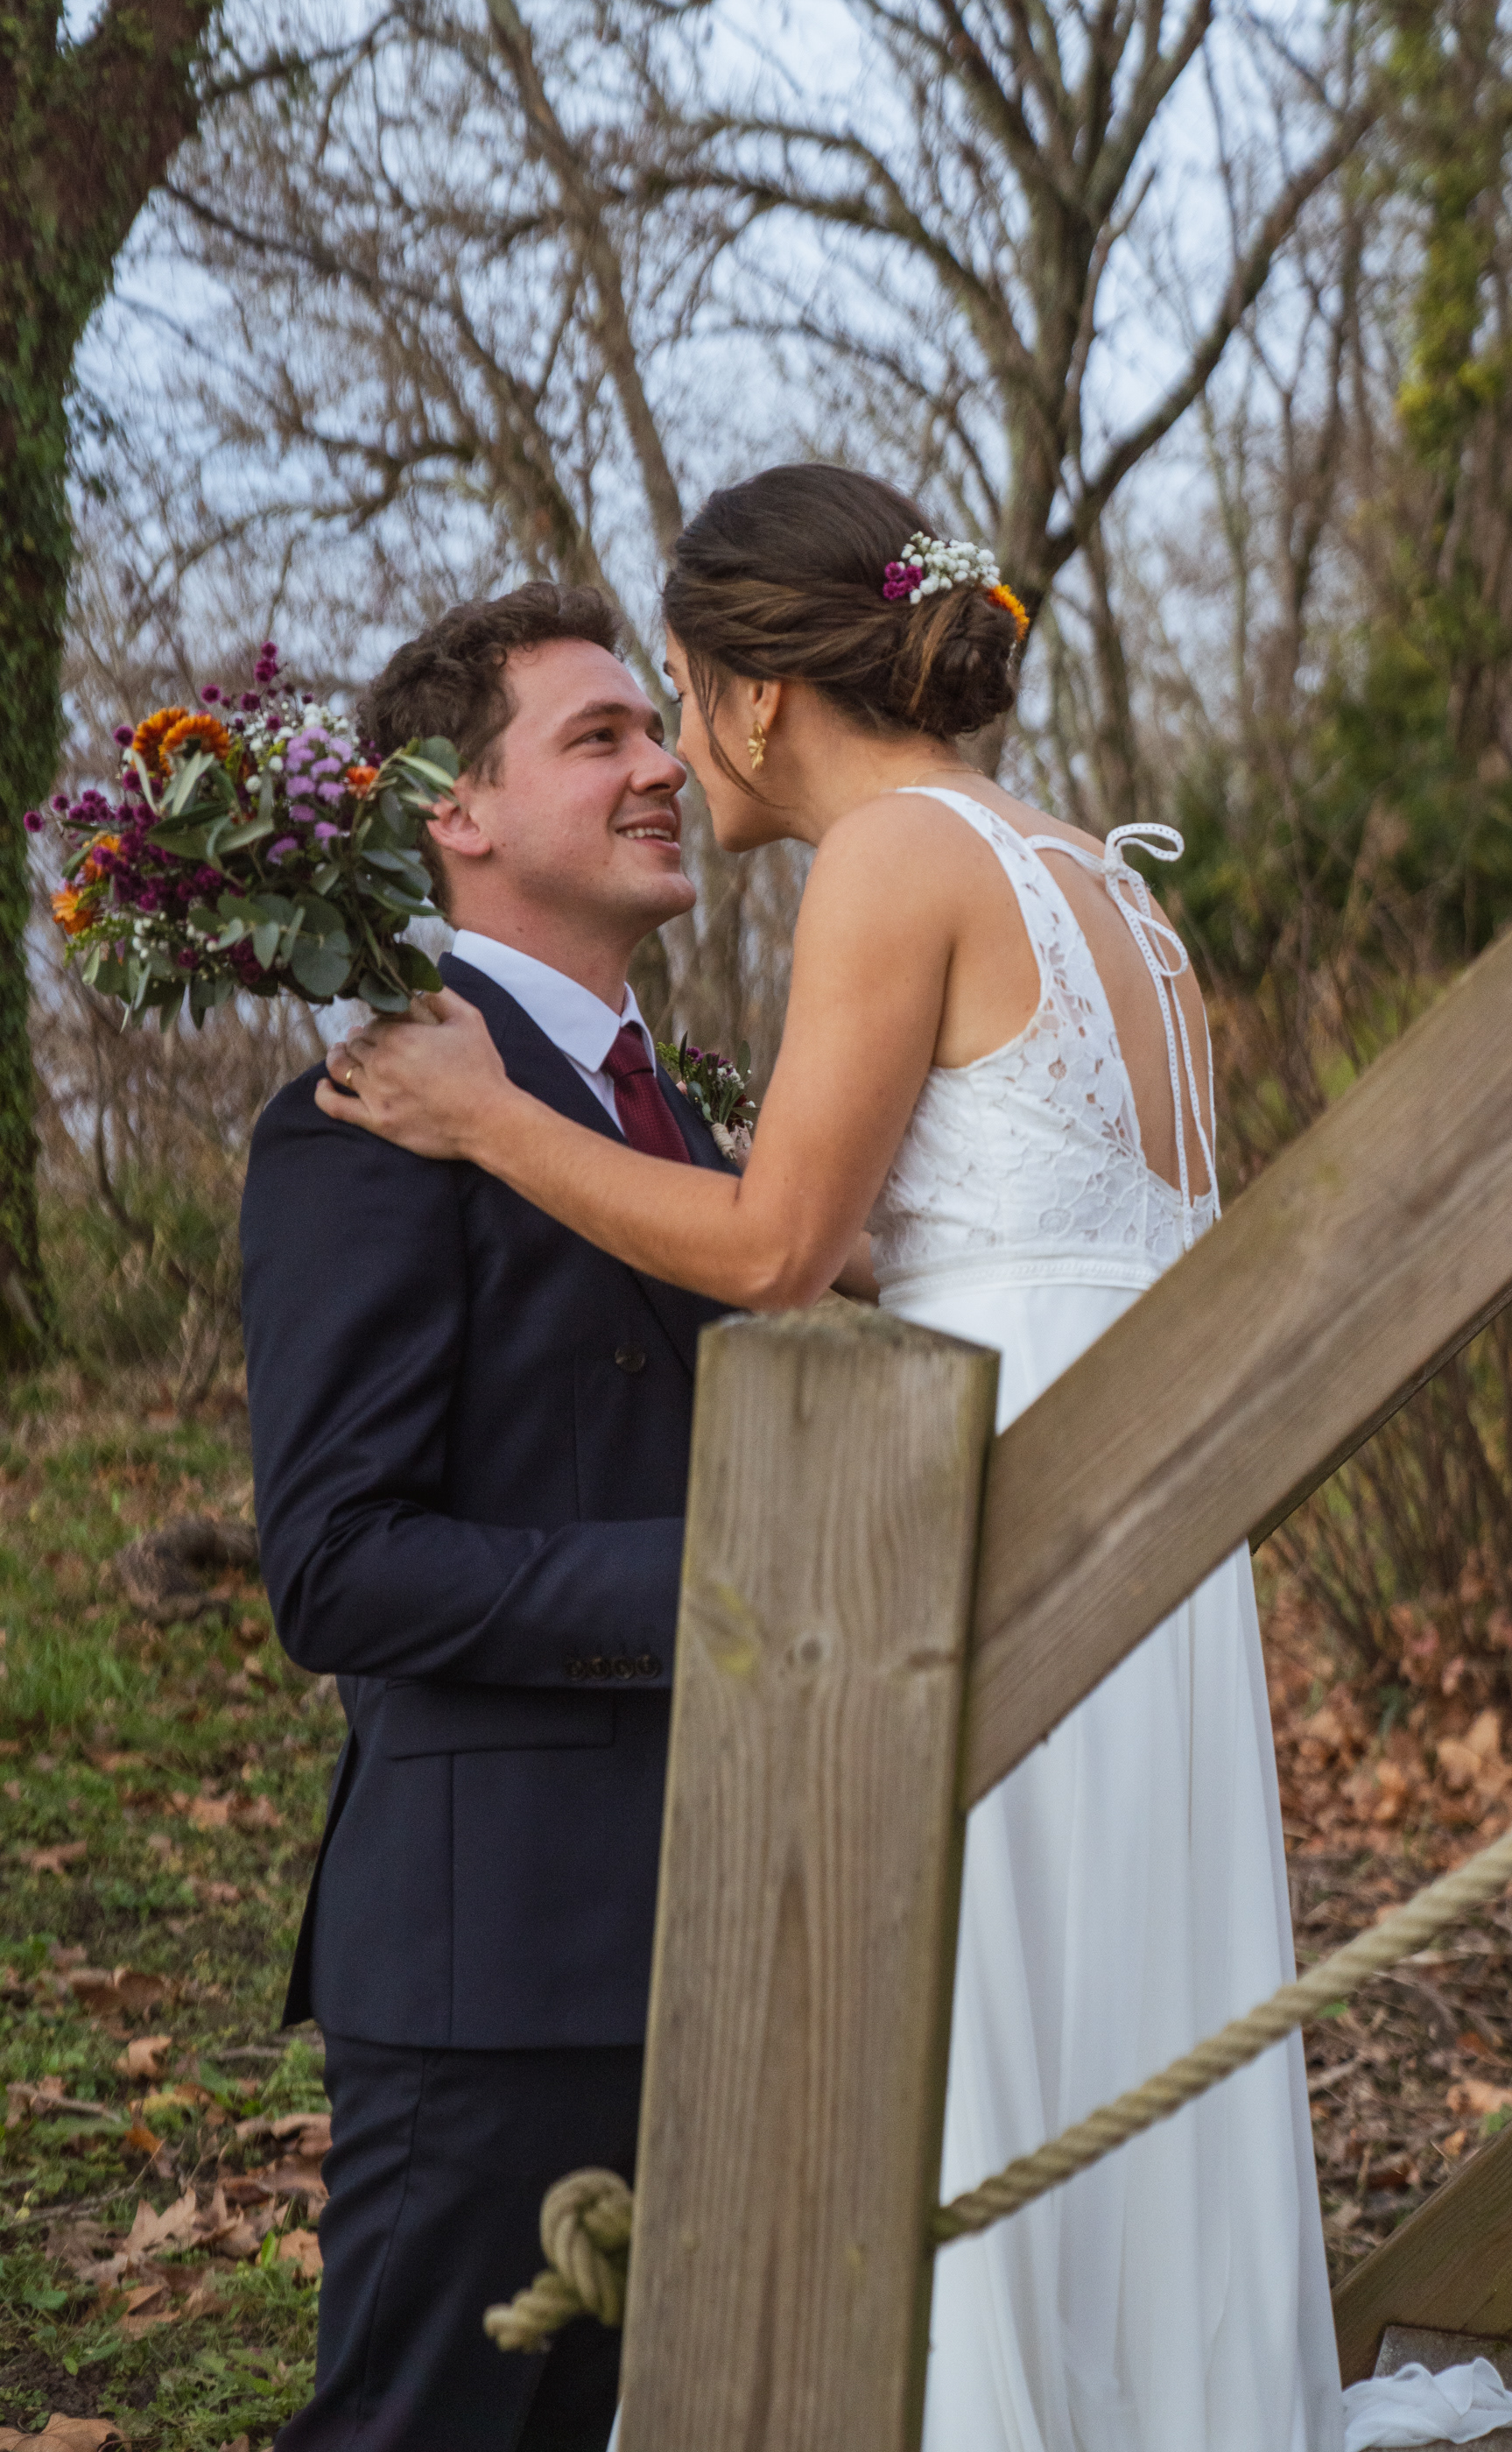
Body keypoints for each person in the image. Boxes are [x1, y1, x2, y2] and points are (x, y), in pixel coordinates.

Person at [316, 469, 1512, 2452]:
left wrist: (485, 1116)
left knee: (976, 2040)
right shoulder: (1107, 884)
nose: (677, 743)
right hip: (1154, 1513)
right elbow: (1037, 1235)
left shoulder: (892, 856)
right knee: (1112, 2018)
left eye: (677, 692)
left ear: (756, 694)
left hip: (1014, 1525)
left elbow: (773, 1250)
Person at [241, 581, 735, 2452]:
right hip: (499, 1955)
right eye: (600, 737)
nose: (660, 765)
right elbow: (334, 1562)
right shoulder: (365, 1111)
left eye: (653, 729)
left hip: (716, 1913)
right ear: (451, 808)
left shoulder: (672, 1117)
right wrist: (722, 1589)